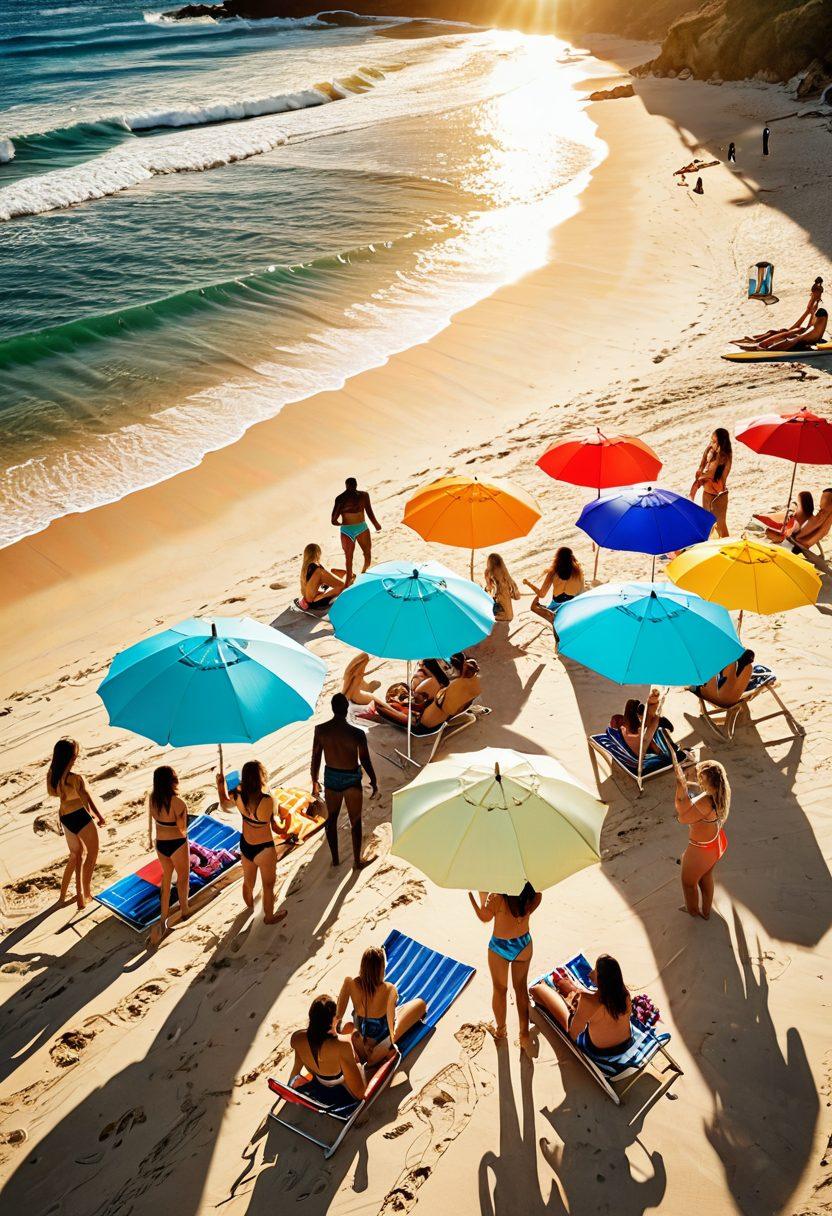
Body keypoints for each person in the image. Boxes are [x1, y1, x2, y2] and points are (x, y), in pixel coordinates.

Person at [469, 883, 541, 1051]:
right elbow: (529, 906)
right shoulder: (533, 893)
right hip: (523, 943)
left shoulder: (497, 898)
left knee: (500, 989)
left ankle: (501, 1031)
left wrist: (475, 896)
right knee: (521, 989)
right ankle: (524, 1034)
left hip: (500, 947)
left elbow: (484, 917)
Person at [215, 761, 290, 924]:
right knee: (268, 884)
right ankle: (269, 917)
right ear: (261, 776)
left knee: (248, 883)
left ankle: (250, 906)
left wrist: (220, 786)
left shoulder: (237, 796)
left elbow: (224, 803)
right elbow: (278, 824)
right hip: (264, 849)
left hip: (246, 846)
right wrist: (285, 822)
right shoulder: (268, 800)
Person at [311, 693, 377, 869]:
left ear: (332, 709)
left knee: (331, 820)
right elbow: (365, 760)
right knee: (355, 821)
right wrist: (374, 779)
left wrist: (314, 781)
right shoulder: (356, 733)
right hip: (351, 778)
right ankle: (357, 861)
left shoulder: (321, 730)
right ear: (347, 709)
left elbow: (315, 758)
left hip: (332, 778)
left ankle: (335, 859)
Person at [335, 946, 426, 1066]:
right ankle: (378, 1051)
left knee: (349, 1026)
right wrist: (391, 1043)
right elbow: (391, 1023)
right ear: (382, 968)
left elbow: (338, 1016)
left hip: (362, 1033)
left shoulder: (350, 983)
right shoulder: (389, 989)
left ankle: (362, 1044)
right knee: (420, 1004)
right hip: (381, 1037)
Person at [529, 954, 633, 1056]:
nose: (591, 972)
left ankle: (546, 990)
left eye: (595, 970)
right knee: (580, 1005)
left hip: (600, 1051)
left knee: (536, 990)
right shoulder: (625, 994)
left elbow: (573, 1034)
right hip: (626, 1043)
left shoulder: (589, 1001)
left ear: (601, 979)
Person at [46, 737, 105, 909]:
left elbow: (52, 794)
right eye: (75, 754)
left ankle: (64, 896)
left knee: (75, 855)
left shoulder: (52, 776)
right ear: (71, 757)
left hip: (65, 817)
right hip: (80, 816)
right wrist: (99, 817)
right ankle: (85, 894)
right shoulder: (75, 778)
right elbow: (87, 799)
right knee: (91, 854)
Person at [671, 751, 731, 919]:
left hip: (700, 849)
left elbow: (682, 816)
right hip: (715, 844)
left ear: (709, 780)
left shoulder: (705, 800)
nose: (698, 779)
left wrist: (680, 786)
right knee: (705, 876)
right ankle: (706, 911)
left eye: (701, 777)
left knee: (688, 883)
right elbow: (691, 808)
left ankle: (693, 911)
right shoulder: (718, 796)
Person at [289, 994, 367, 1100]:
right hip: (339, 1081)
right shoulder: (342, 1045)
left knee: (349, 1027)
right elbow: (360, 1093)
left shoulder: (297, 1037)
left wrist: (291, 1083)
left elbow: (298, 1063)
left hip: (320, 1077)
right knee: (355, 1038)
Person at [147, 765, 190, 942]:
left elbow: (152, 821)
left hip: (161, 844)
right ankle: (185, 909)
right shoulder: (178, 802)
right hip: (177, 843)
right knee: (183, 877)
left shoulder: (152, 798)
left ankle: (163, 916)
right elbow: (182, 829)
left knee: (166, 878)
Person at [734, 278, 823, 346]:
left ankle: (756, 341)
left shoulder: (816, 307)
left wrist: (807, 312)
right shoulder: (813, 304)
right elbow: (805, 321)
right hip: (806, 331)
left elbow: (810, 328)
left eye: (814, 294)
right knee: (777, 331)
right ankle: (755, 339)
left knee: (786, 331)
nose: (812, 296)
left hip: (808, 335)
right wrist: (807, 312)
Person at [331, 477, 381, 583]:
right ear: (354, 485)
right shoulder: (342, 498)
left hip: (357, 528)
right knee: (350, 557)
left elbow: (369, 511)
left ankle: (364, 573)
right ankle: (349, 579)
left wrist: (375, 523)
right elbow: (333, 520)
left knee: (366, 553)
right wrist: (375, 524)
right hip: (350, 530)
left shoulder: (362, 496)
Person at [525, 546, 585, 623]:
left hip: (556, 603)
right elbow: (581, 593)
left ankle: (551, 613)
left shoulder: (552, 572)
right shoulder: (579, 572)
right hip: (571, 604)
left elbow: (541, 595)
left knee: (533, 607)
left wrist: (528, 584)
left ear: (557, 558)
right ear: (572, 557)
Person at [691, 428, 732, 537]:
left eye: (714, 442)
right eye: (711, 441)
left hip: (718, 497)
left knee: (720, 527)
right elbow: (702, 466)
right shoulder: (710, 450)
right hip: (707, 494)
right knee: (708, 525)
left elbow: (713, 476)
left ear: (721, 443)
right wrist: (700, 469)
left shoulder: (725, 457)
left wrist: (702, 477)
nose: (711, 444)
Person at [419, 657, 481, 730]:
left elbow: (450, 708)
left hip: (428, 723)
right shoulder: (471, 685)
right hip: (436, 721)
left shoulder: (457, 685)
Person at [746, 309, 828, 352]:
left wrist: (768, 350)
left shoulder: (812, 330)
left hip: (801, 344)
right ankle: (760, 344)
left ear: (816, 318)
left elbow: (792, 341)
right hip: (812, 341)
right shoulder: (820, 326)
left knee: (793, 337)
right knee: (793, 333)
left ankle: (762, 346)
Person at [299, 543, 346, 608]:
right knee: (343, 586)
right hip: (315, 602)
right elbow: (341, 585)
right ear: (317, 553)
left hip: (308, 601)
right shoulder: (316, 568)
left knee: (332, 572)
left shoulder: (305, 568)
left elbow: (309, 588)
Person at [788, 487, 832, 551]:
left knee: (825, 515)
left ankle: (802, 541)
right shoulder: (822, 515)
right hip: (798, 539)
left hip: (799, 542)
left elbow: (823, 530)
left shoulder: (824, 517)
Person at [484, 553, 520, 622]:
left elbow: (488, 592)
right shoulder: (508, 579)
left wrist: (487, 581)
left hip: (501, 617)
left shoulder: (492, 577)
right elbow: (517, 597)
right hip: (510, 616)